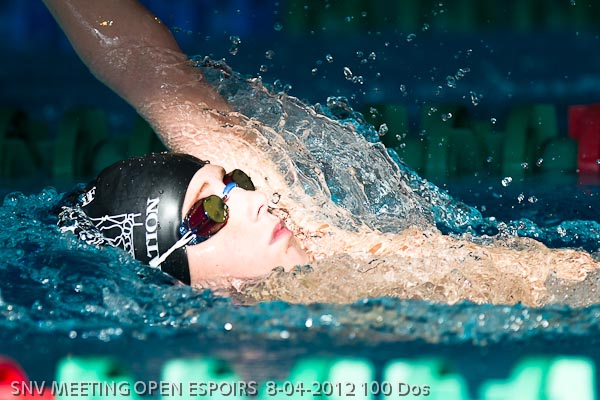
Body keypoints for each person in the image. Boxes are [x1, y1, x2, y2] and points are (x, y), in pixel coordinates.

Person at [44, 0, 600, 307]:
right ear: (174, 273)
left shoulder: (313, 231)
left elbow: (147, 69)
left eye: (232, 181)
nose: (252, 200)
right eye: (209, 211)